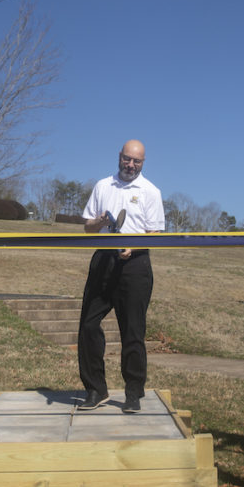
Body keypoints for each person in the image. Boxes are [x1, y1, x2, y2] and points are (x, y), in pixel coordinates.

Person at [77, 140, 165, 414]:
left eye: (136, 161)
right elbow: (88, 228)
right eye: (127, 159)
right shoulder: (103, 186)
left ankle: (133, 394)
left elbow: (156, 234)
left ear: (143, 162)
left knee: (133, 331)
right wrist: (100, 222)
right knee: (88, 325)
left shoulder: (151, 191)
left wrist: (133, 247)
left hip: (135, 266)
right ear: (120, 157)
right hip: (103, 260)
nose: (130, 165)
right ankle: (96, 389)